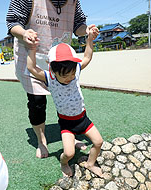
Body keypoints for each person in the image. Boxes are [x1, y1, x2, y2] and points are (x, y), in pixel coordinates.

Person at [6, 0, 97, 158]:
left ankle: (70, 136)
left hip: (62, 61)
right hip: (33, 54)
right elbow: (13, 22)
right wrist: (24, 33)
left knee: (65, 99)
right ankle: (42, 141)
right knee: (37, 101)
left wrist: (87, 31)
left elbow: (79, 25)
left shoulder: (74, 1)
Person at [26, 27, 103, 177]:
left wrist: (90, 40)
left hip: (83, 119)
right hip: (67, 124)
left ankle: (90, 163)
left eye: (72, 73)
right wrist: (32, 49)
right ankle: (63, 163)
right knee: (68, 153)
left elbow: (87, 57)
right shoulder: (50, 78)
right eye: (65, 75)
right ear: (53, 70)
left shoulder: (76, 71)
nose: (70, 77)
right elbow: (31, 67)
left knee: (98, 142)